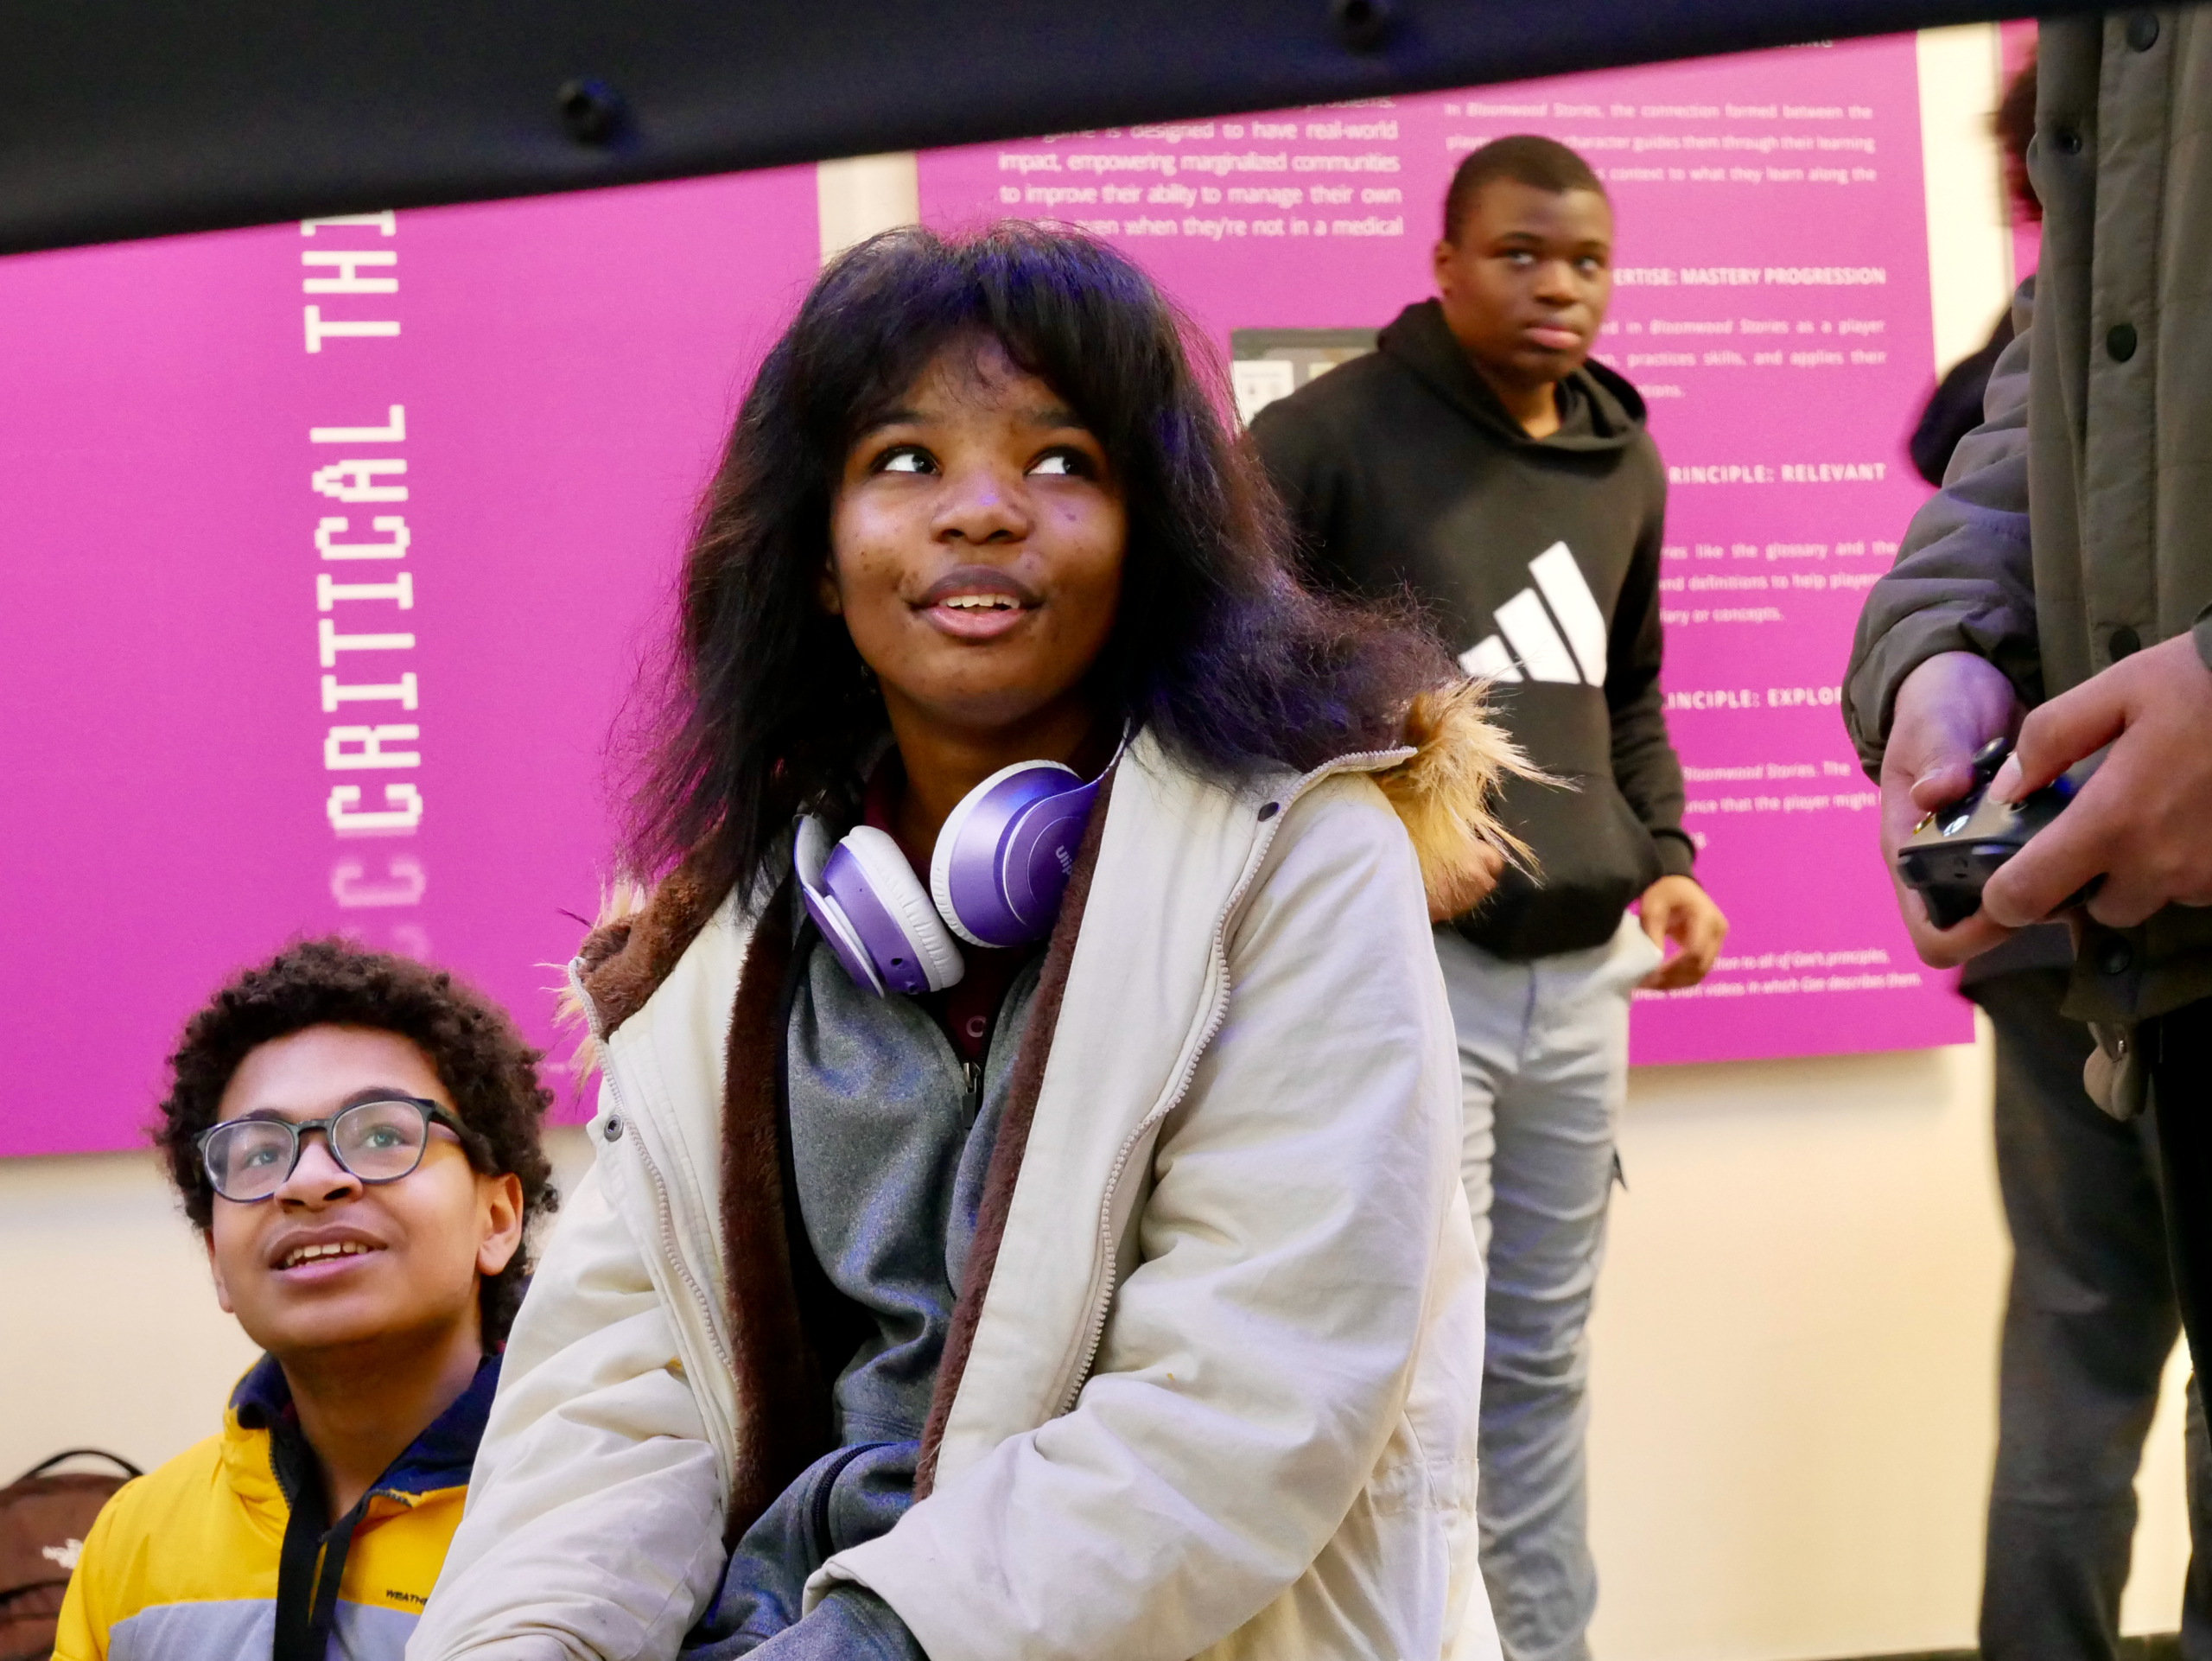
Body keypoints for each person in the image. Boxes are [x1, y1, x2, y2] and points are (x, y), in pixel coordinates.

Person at [410, 223, 1519, 1661]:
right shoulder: (717, 945)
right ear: (820, 556)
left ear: (1149, 538)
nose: (983, 511)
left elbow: (1249, 1392)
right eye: (906, 460)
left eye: (1060, 460)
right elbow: (615, 1396)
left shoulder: (1301, 858)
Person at [1248, 134, 1726, 1661]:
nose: (1558, 287)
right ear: (1445, 261)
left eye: (1587, 261)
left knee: (1538, 1362)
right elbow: (1239, 690)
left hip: (1584, 985)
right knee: (1413, 1364)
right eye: (1521, 254)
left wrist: (1668, 856)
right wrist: (1384, 837)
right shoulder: (1323, 439)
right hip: (1407, 973)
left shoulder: (1626, 459)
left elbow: (1627, 692)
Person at [1845, 8, 2212, 1648]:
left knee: (2075, 1342)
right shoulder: (2074, 296)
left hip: (2069, 920)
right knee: (2094, 1355)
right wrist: (1935, 647)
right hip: (2088, 932)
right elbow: (2011, 430)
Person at [54, 940, 556, 1661]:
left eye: (382, 1133)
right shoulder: (134, 1540)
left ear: (497, 1219)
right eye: (260, 1154)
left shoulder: (600, 1511)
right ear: (216, 1260)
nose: (310, 1181)